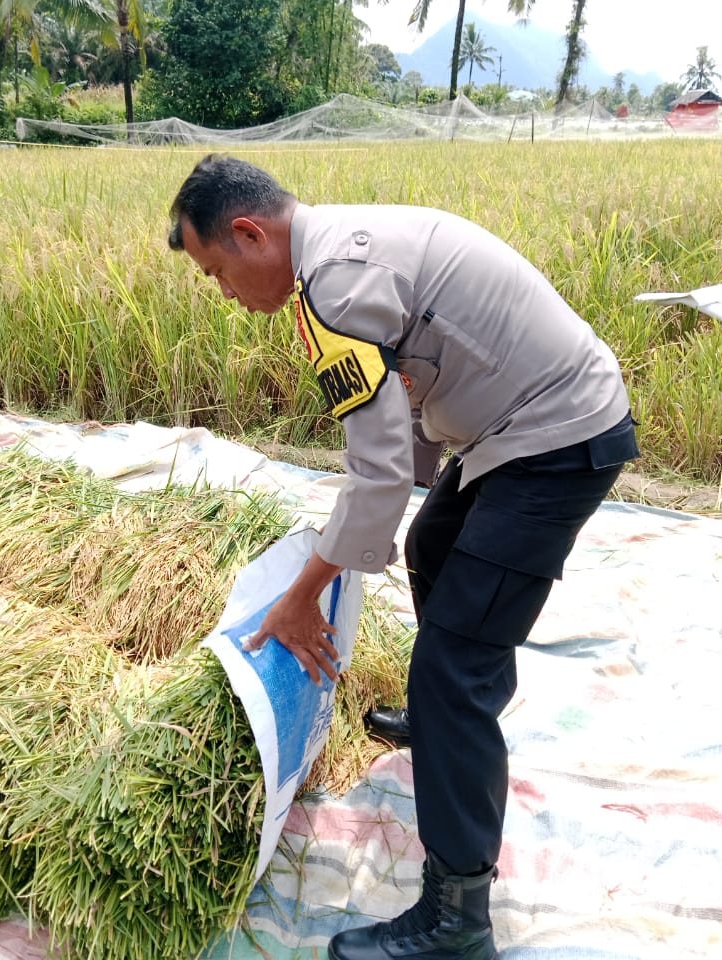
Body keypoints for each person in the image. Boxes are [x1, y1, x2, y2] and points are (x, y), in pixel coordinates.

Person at [168, 155, 638, 960]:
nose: (226, 296)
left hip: (555, 439)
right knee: (433, 542)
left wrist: (303, 592)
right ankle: (447, 720)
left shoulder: (334, 292)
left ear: (250, 233)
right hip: (515, 425)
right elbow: (390, 453)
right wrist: (354, 521)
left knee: (453, 667)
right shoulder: (336, 249)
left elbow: (380, 472)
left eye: (217, 272)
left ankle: (457, 920)